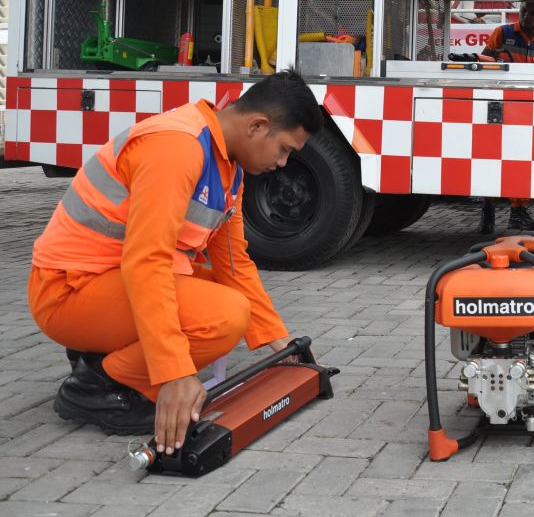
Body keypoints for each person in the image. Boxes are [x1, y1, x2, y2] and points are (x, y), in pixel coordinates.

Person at [27, 71, 323, 458]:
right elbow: (146, 261)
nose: (283, 163)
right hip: (68, 293)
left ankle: (105, 359)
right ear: (257, 126)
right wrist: (175, 374)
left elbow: (234, 264)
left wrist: (277, 341)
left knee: (227, 294)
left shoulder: (227, 165)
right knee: (223, 315)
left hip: (106, 283)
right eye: (284, 149)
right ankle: (98, 385)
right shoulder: (177, 147)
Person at [477, 0, 534, 233]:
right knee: (492, 160)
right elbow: (483, 62)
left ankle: (517, 213)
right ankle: (488, 212)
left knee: (523, 162)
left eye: (532, 12)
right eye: (523, 11)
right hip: (499, 108)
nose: (525, 16)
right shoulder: (501, 33)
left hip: (528, 112)